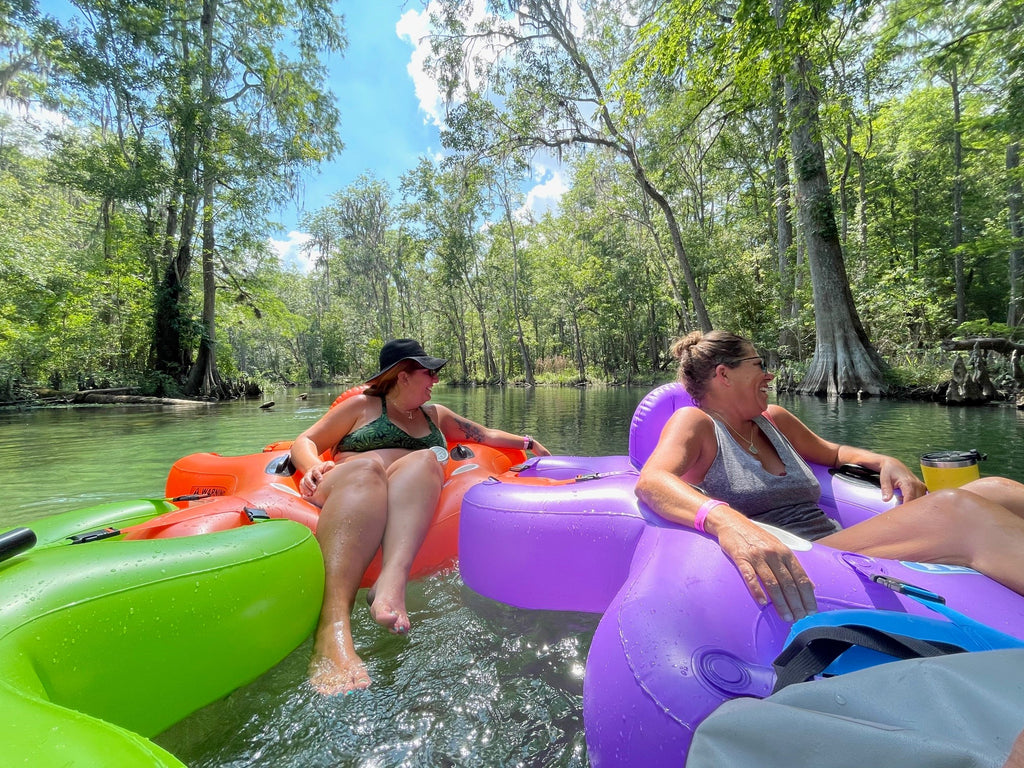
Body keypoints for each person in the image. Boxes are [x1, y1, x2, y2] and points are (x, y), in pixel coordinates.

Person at [635, 330, 1024, 624]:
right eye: (757, 364)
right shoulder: (696, 422)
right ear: (724, 374)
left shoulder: (774, 420)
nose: (769, 374)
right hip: (807, 559)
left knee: (998, 490)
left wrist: (886, 460)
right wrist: (726, 521)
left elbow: (835, 453)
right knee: (956, 511)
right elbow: (652, 481)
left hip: (838, 539)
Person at [290, 338, 550, 695]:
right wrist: (312, 465)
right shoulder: (361, 407)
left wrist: (528, 443)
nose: (434, 380)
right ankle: (332, 631)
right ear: (402, 376)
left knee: (428, 458)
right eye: (428, 372)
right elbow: (304, 441)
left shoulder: (435, 416)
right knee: (368, 468)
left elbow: (485, 434)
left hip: (404, 494)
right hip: (350, 485)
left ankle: (390, 584)